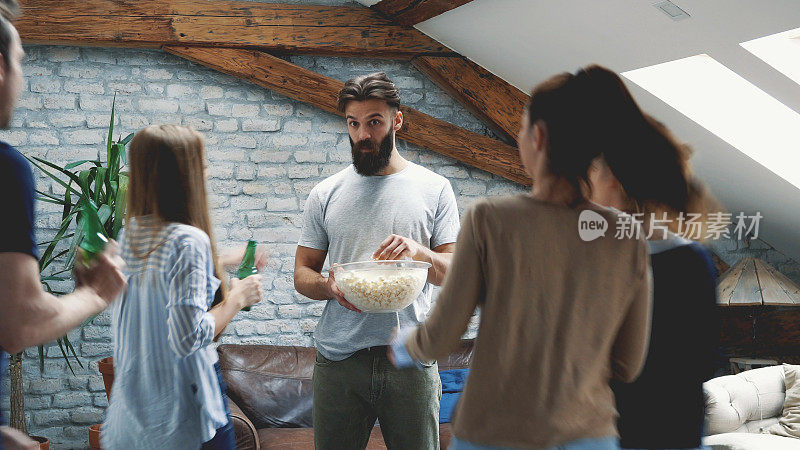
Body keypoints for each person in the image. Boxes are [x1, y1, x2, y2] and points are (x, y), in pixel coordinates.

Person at [390, 65, 654, 449]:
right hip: (589, 435)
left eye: (521, 129)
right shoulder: (628, 237)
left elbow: (444, 333)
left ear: (540, 137)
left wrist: (406, 344)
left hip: (495, 431)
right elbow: (628, 366)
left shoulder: (491, 220)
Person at [294, 72, 460, 449]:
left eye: (374, 122)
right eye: (353, 124)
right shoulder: (325, 193)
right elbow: (302, 274)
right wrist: (327, 286)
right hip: (339, 360)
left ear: (396, 120)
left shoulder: (434, 189)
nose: (363, 135)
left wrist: (418, 252)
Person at [0, 3, 126, 449]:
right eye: (19, 62)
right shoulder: (5, 169)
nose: (21, 79)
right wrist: (95, 293)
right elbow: (20, 325)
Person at [101, 125, 264, 449]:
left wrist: (221, 258)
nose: (207, 173)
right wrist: (236, 298)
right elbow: (187, 336)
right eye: (200, 165)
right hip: (185, 413)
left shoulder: (129, 236)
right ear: (183, 176)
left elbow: (161, 277)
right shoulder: (190, 241)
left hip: (136, 416)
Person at [589, 107, 719, 449]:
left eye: (595, 171)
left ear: (613, 179)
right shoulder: (695, 259)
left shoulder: (606, 260)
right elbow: (703, 361)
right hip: (679, 431)